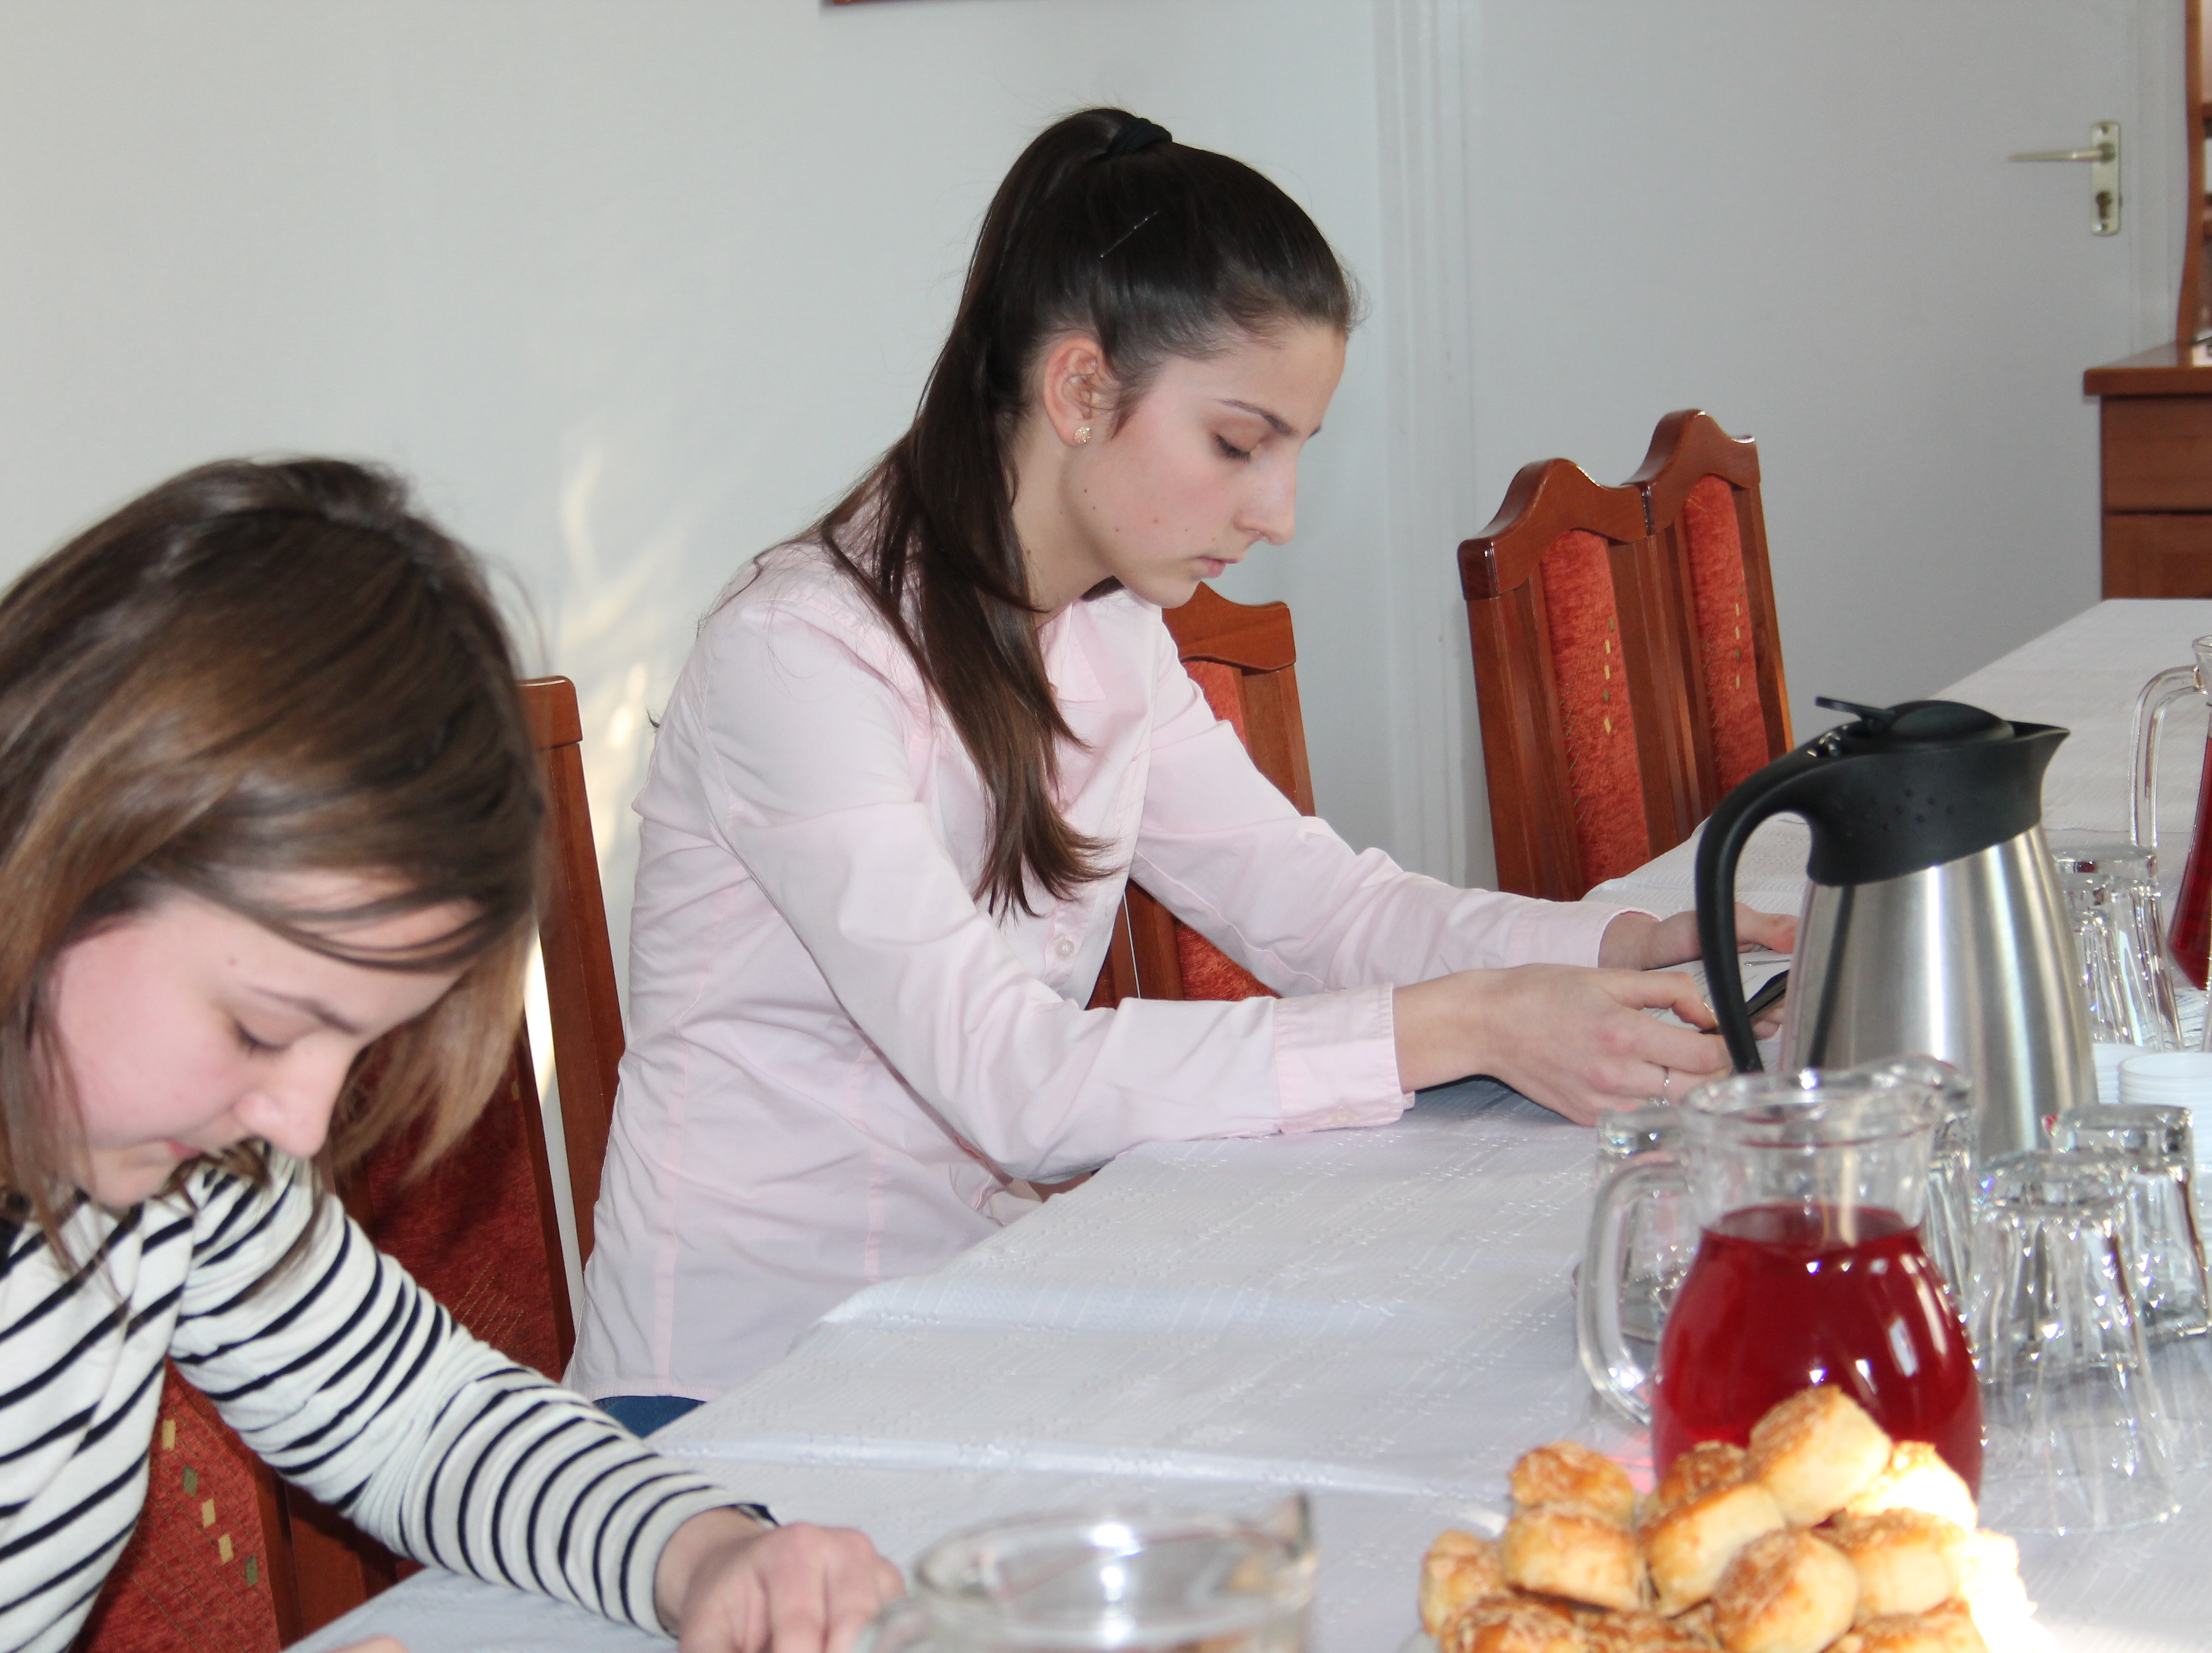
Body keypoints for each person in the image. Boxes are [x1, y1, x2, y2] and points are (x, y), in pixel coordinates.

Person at [568, 107, 1791, 1426]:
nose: (1280, 512)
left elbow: (1318, 907)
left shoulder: (1105, 631)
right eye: (1238, 443)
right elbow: (1017, 1080)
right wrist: (1468, 1023)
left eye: (1296, 450)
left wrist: (1616, 948)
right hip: (735, 1394)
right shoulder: (799, 657)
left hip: (967, 1322)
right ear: (1080, 392)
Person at [0, 459, 901, 1651]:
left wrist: (703, 1552)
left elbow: (418, 1421)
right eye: (260, 1027)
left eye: (354, 1046)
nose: (296, 1125)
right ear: (44, 854)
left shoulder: (158, 1147)